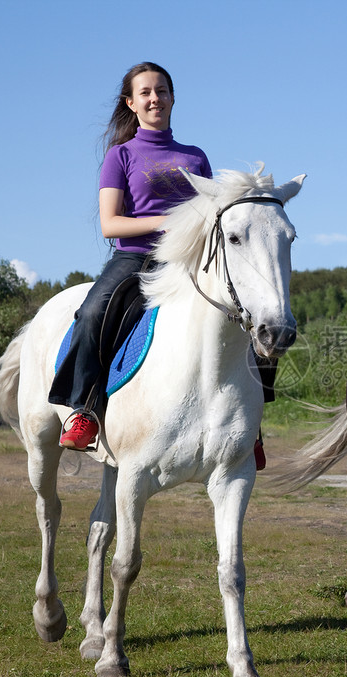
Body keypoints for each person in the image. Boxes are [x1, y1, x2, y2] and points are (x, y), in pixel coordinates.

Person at [49, 62, 212, 450]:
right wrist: (168, 222)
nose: (155, 97)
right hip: (136, 259)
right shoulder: (119, 156)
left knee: (250, 311)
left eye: (162, 90)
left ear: (173, 98)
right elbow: (110, 224)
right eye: (146, 92)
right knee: (91, 313)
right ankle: (84, 411)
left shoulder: (196, 156)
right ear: (132, 103)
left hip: (188, 261)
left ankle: (251, 426)